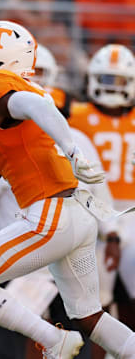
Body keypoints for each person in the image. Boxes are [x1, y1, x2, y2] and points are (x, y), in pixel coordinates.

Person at [0, 19, 135, 358]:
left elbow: (36, 105)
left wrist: (73, 150)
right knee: (89, 317)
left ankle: (53, 340)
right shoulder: (10, 106)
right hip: (75, 217)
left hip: (49, 217)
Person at [68, 43, 135, 332]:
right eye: (108, 79)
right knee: (95, 305)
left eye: (119, 80)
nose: (113, 87)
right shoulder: (76, 115)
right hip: (93, 213)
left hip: (132, 212)